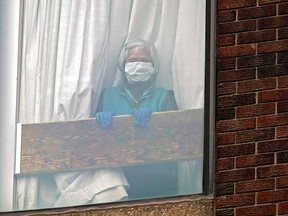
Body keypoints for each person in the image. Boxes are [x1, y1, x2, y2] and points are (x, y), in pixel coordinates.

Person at [95, 39, 178, 199]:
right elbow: (94, 140)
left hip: (158, 180)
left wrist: (156, 122)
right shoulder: (107, 96)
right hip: (116, 182)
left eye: (144, 60)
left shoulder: (165, 96)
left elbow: (176, 137)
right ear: (123, 65)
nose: (138, 65)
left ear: (153, 66)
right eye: (132, 60)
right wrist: (97, 124)